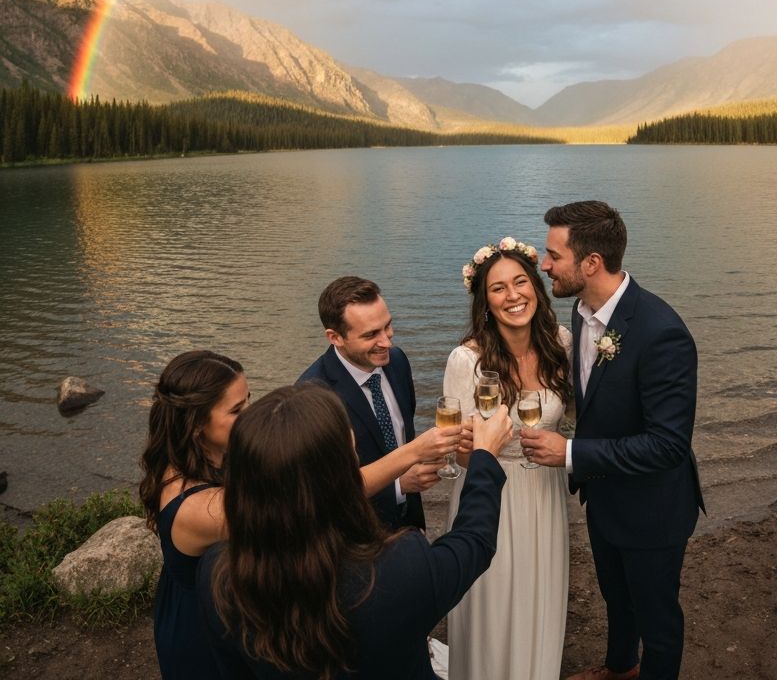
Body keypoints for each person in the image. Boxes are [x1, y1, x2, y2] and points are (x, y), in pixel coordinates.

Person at [196, 383, 514, 680]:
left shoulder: (218, 575)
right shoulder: (398, 570)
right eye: (352, 451)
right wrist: (484, 456)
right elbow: (474, 541)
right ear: (340, 475)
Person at [521, 201, 705, 680]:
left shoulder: (662, 333)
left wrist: (570, 452)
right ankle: (621, 667)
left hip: (652, 510)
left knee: (657, 621)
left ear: (591, 263)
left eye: (553, 255)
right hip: (604, 498)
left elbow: (668, 445)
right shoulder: (582, 312)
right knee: (616, 598)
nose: (544, 265)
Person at [443, 236, 573, 680]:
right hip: (489, 492)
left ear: (535, 286)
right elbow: (460, 455)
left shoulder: (562, 343)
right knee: (493, 605)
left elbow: (579, 414)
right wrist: (477, 445)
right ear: (485, 301)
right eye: (498, 288)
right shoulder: (467, 361)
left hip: (544, 489)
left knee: (540, 594)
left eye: (520, 282)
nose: (513, 295)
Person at [298, 275, 459, 529]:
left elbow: (403, 432)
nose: (387, 341)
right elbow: (322, 493)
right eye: (371, 334)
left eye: (388, 326)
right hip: (356, 535)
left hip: (409, 525)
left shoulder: (397, 361)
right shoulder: (311, 396)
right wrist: (398, 486)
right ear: (335, 337)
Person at [140, 350, 249, 679]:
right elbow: (308, 509)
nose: (250, 415)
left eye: (248, 401)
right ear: (198, 424)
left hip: (191, 601)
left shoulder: (190, 457)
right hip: (204, 631)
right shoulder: (204, 508)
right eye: (237, 410)